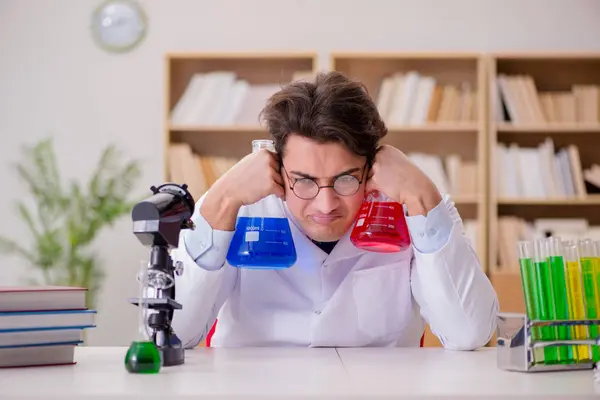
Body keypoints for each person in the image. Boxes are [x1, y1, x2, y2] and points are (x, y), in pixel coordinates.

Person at [170, 71, 498, 349]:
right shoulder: (243, 210)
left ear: (371, 169)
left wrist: (424, 196)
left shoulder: (409, 210)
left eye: (345, 180)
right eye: (304, 181)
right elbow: (170, 334)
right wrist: (221, 198)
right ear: (276, 166)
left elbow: (469, 334)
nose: (325, 205)